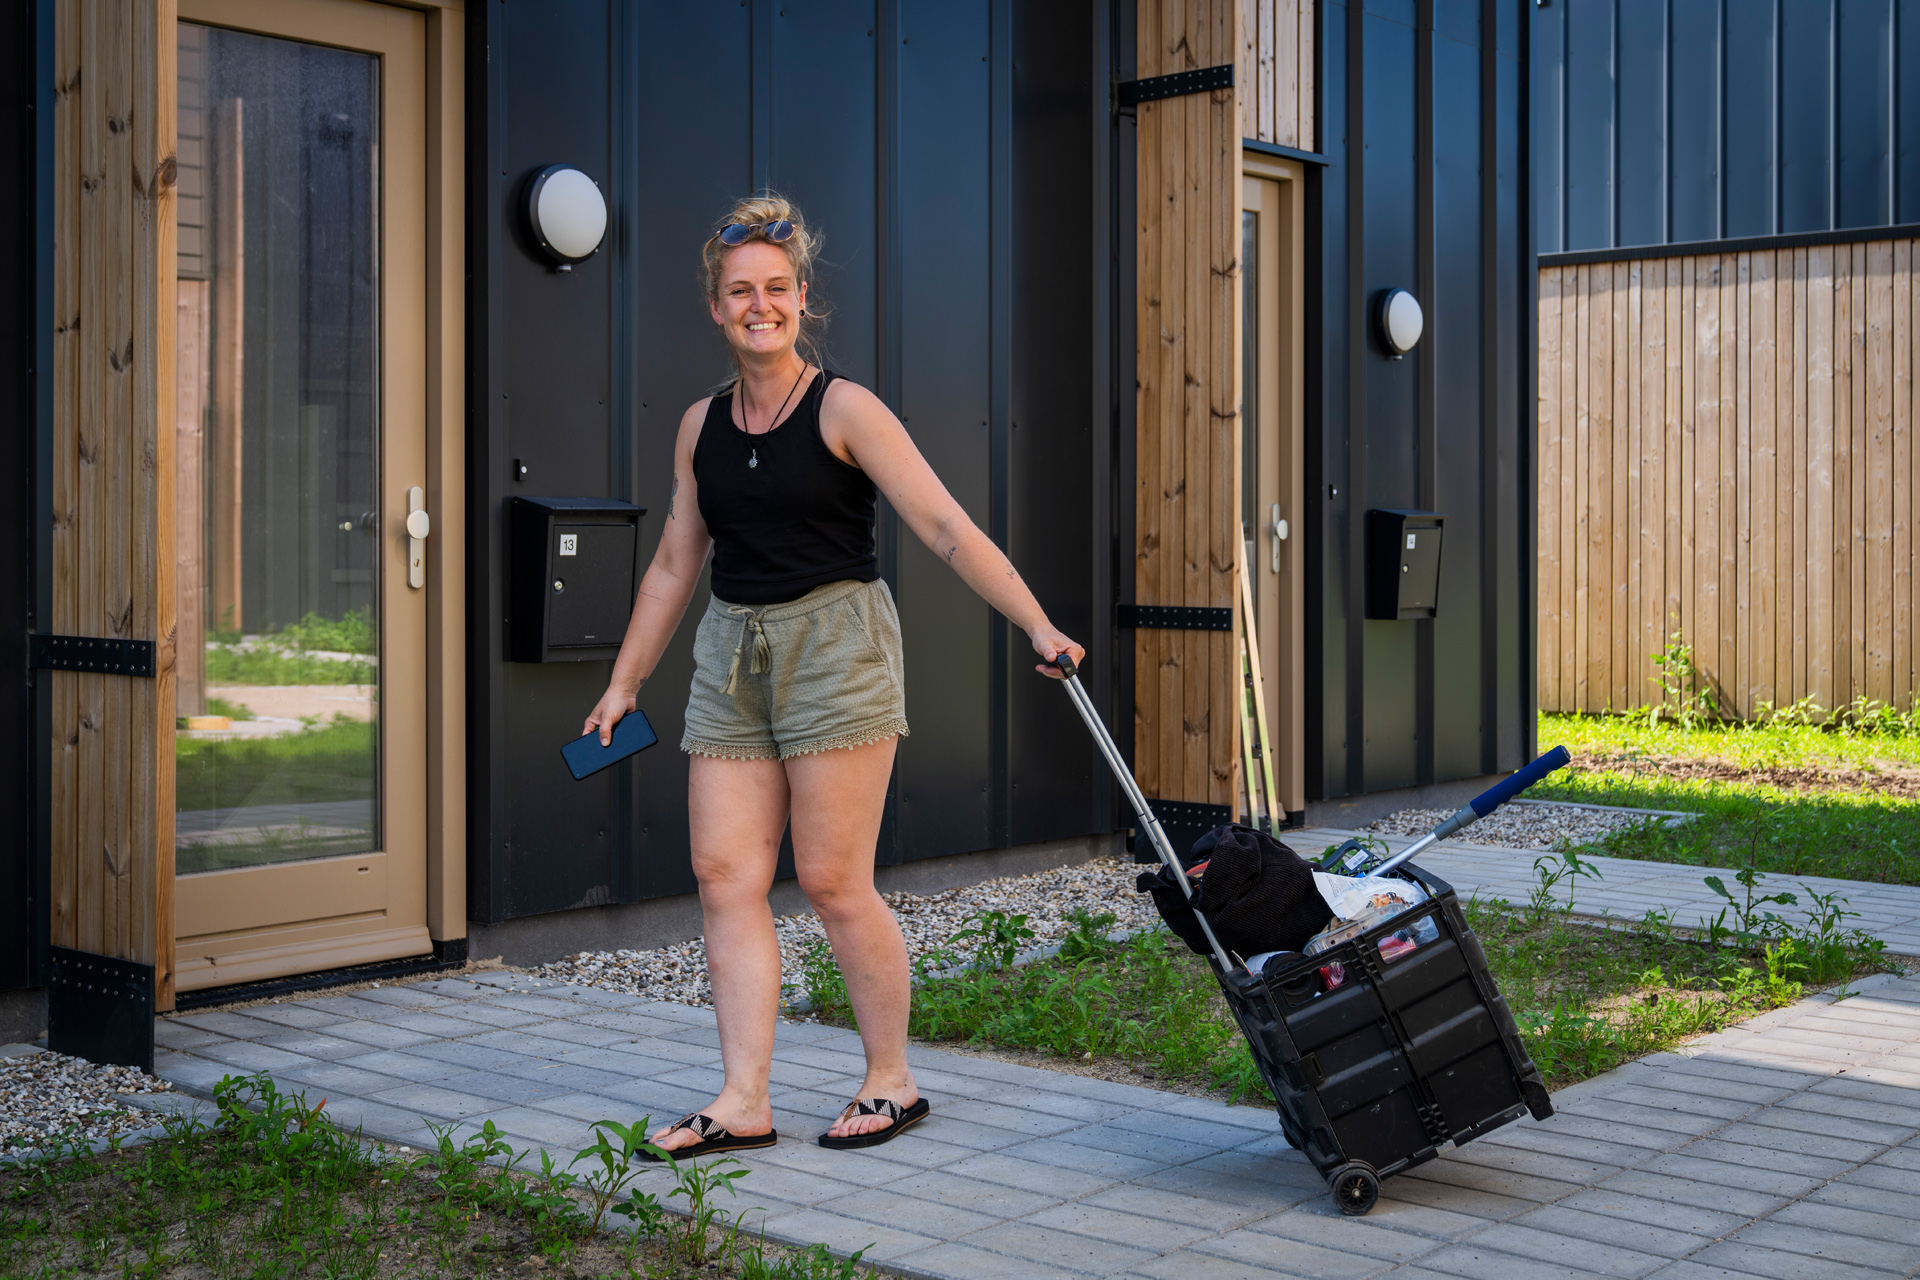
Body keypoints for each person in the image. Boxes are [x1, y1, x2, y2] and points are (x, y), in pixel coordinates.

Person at [583, 194, 1084, 1155]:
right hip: (732, 655)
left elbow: (944, 525)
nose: (759, 305)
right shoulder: (699, 426)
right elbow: (675, 564)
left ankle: (891, 1082)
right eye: (741, 292)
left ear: (802, 299)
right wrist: (624, 682)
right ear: (717, 308)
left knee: (831, 880)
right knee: (723, 872)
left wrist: (1039, 623)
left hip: (837, 646)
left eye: (776, 288)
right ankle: (743, 1101)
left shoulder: (845, 407)